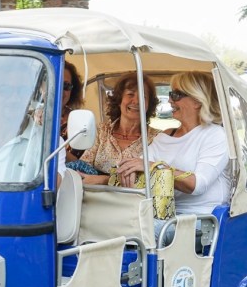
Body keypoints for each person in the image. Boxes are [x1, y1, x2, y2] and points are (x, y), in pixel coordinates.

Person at [117, 71, 230, 237]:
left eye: (176, 95)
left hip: (202, 219)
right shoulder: (165, 136)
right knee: (111, 223)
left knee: (138, 230)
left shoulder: (215, 135)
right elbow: (138, 167)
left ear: (197, 101)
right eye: (171, 94)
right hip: (162, 214)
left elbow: (197, 184)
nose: (170, 100)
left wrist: (153, 167)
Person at [72, 73, 160, 185]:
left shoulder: (156, 138)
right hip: (94, 195)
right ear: (119, 99)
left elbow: (156, 178)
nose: (136, 101)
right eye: (130, 94)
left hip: (135, 196)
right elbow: (83, 167)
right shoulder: (101, 130)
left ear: (149, 104)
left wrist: (105, 180)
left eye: (143, 96)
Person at [60, 61, 85, 159]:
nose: (59, 90)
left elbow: (78, 163)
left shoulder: (79, 123)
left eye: (66, 86)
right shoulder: (27, 118)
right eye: (54, 83)